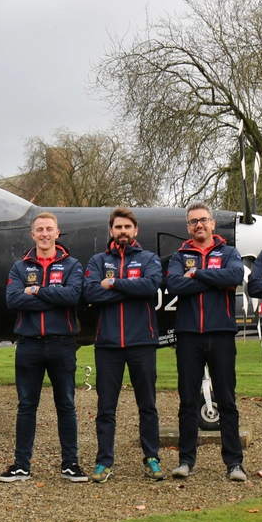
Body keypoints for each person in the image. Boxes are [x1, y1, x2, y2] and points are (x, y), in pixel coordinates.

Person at [0, 211, 87, 483]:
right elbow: (13, 300)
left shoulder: (72, 265)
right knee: (26, 406)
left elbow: (73, 296)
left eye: (49, 229)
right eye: (40, 229)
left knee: (67, 405)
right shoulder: (20, 267)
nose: (45, 234)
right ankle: (21, 465)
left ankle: (70, 464)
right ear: (33, 234)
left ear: (57, 233)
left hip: (62, 345)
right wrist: (53, 297)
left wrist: (35, 291)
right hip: (29, 346)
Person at [84, 207, 165, 483]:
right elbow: (91, 292)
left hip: (142, 341)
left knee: (148, 406)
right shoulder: (97, 260)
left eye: (127, 227)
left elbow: (150, 286)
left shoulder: (148, 258)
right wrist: (128, 288)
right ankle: (104, 462)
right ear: (111, 231)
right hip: (107, 345)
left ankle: (152, 458)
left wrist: (113, 283)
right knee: (106, 408)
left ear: (135, 231)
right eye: (118, 227)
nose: (122, 232)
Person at [166, 202, 246, 481]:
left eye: (203, 220)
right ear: (188, 227)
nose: (198, 225)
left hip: (221, 334)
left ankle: (234, 463)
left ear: (212, 223)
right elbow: (175, 285)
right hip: (189, 336)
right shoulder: (180, 255)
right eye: (193, 222)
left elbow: (235, 276)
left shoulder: (228, 252)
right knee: (188, 402)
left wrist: (198, 273)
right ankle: (186, 461)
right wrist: (216, 280)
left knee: (227, 401)